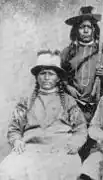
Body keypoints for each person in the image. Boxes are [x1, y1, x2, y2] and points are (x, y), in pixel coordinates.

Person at [0, 50, 87, 180]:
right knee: (8, 169)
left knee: (67, 170)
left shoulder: (68, 101)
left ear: (58, 78)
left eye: (51, 74)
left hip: (61, 150)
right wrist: (17, 140)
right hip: (30, 150)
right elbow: (14, 128)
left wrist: (75, 143)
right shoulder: (26, 101)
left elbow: (80, 129)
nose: (46, 77)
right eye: (43, 73)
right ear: (36, 77)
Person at [61, 5, 103, 124]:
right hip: (73, 105)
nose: (86, 30)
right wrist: (67, 87)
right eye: (82, 27)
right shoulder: (68, 52)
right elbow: (59, 77)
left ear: (94, 29)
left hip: (97, 106)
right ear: (76, 29)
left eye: (89, 27)